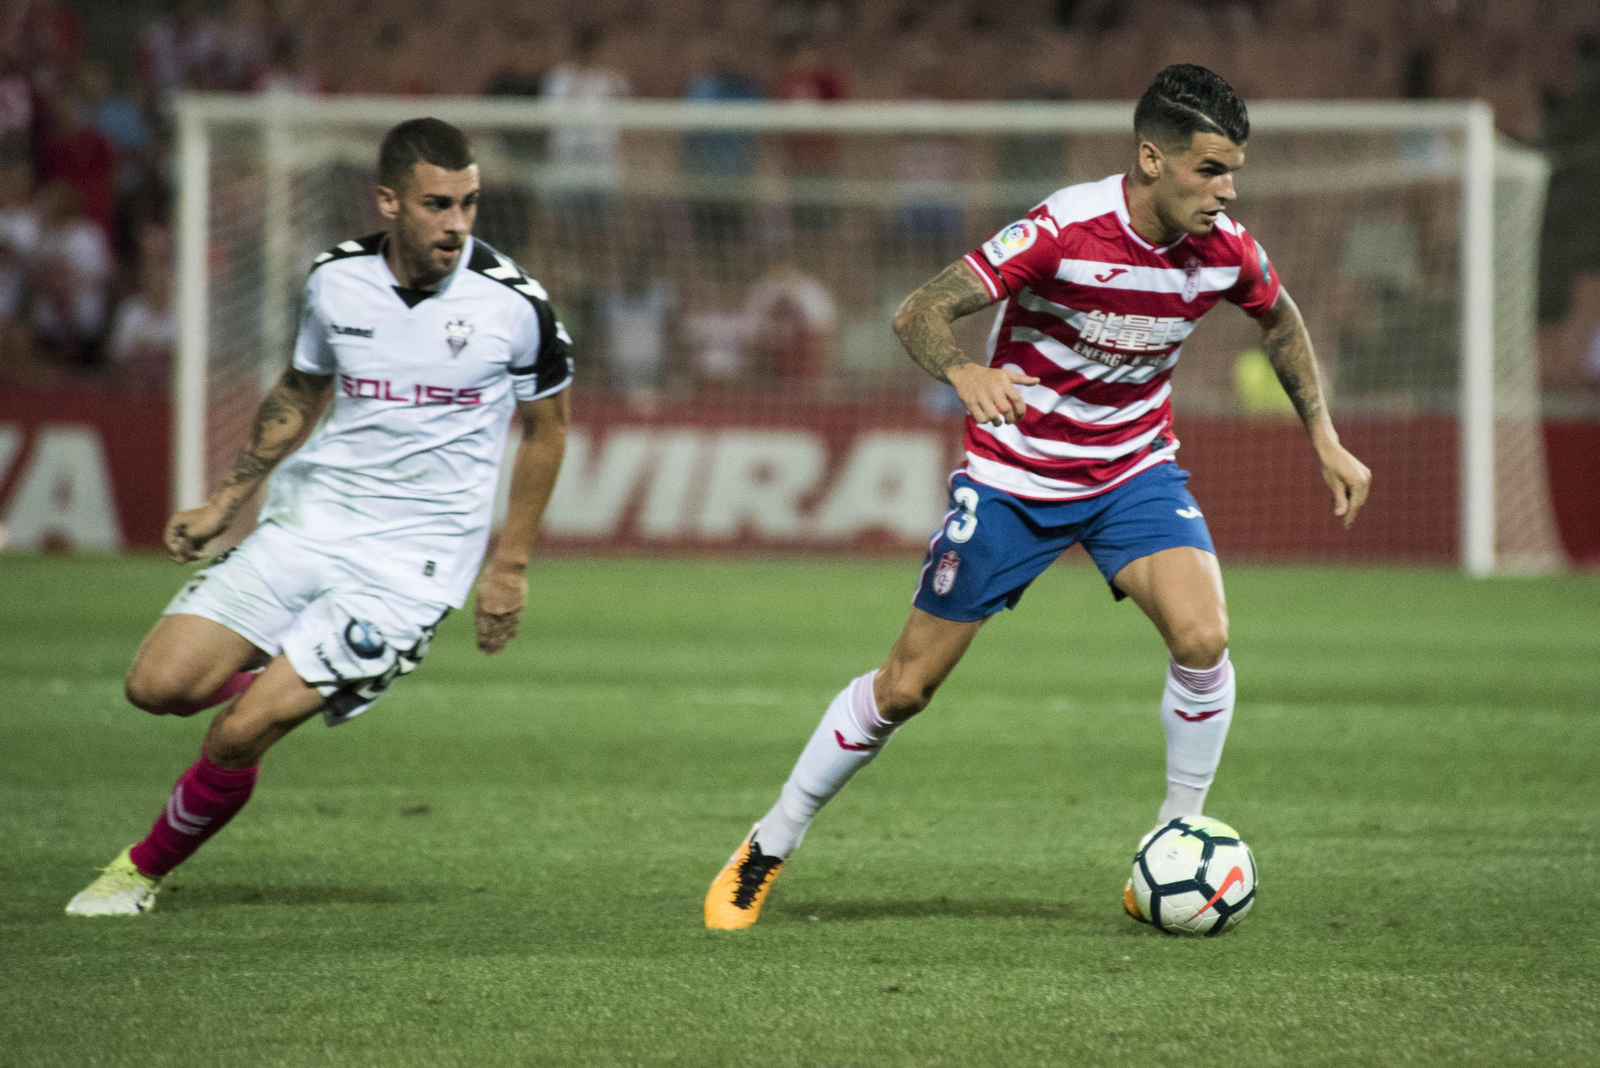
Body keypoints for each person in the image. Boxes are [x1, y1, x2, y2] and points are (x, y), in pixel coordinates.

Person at [704, 65, 1372, 929]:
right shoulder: (1063, 229)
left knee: (1204, 637)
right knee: (905, 687)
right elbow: (918, 311)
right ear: (1152, 159)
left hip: (1132, 472)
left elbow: (1279, 317)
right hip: (1015, 479)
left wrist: (1323, 434)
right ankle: (770, 841)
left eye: (1233, 172)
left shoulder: (1225, 250)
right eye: (1210, 170)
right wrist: (965, 371)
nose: (1227, 191)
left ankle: (1173, 836)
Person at [66, 118, 574, 916]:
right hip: (309, 524)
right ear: (389, 201)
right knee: (156, 687)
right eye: (438, 204)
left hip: (411, 565)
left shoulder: (515, 305)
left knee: (239, 733)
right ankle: (287, 663)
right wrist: (225, 502)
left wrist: (509, 567)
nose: (458, 224)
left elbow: (549, 431)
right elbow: (303, 387)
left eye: (469, 204)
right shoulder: (336, 280)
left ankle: (136, 873)